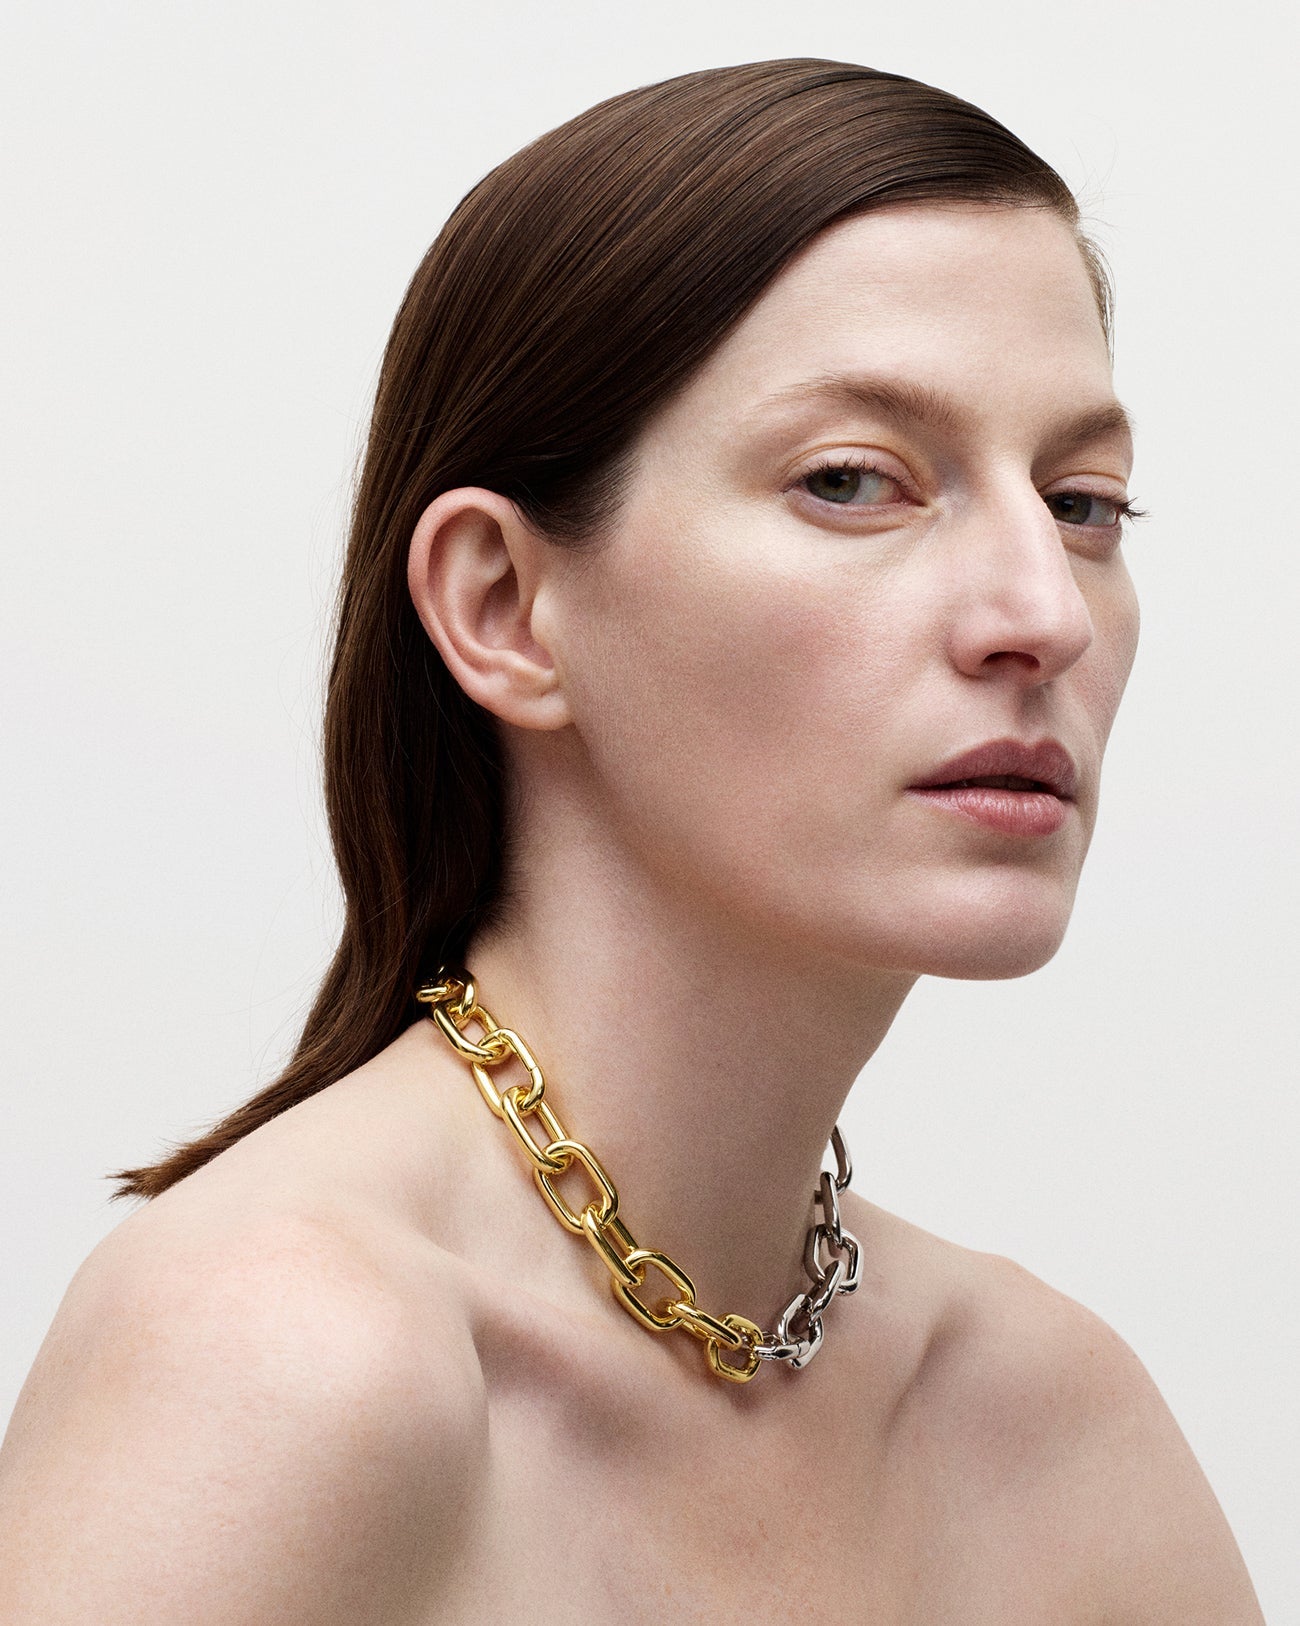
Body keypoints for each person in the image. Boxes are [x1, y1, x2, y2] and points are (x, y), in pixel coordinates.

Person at [0, 58, 1263, 1623]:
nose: (1044, 612)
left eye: (1085, 503)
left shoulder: (1052, 1427)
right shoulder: (286, 1360)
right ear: (503, 606)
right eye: (852, 480)